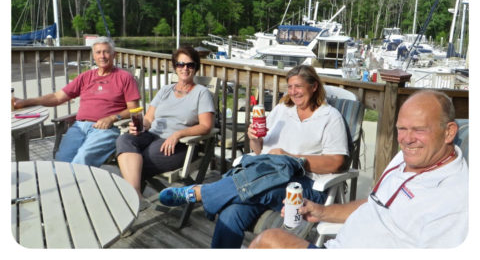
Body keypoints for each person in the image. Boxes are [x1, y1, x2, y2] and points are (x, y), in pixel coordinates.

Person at [158, 65, 348, 248]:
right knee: (230, 214)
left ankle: (200, 193)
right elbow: (259, 150)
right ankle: (203, 193)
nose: (293, 91)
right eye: (290, 87)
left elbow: (337, 162)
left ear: (314, 86)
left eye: (298, 86)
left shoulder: (330, 117)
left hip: (301, 185)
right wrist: (254, 138)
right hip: (263, 173)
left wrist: (292, 159)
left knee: (261, 184)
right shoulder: (282, 110)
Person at [250, 90, 468, 249]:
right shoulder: (408, 158)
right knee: (269, 240)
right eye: (402, 129)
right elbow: (377, 203)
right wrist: (321, 211)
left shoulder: (454, 200)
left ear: (449, 132)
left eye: (419, 130)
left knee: (267, 240)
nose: (407, 140)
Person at [12, 37, 140, 166]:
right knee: (62, 160)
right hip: (79, 126)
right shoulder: (86, 76)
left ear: (114, 54)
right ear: (93, 55)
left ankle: (77, 185)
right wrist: (26, 102)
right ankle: (64, 185)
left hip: (106, 128)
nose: (102, 56)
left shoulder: (125, 77)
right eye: (98, 52)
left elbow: (134, 109)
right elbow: (58, 97)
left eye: (106, 52)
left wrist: (112, 118)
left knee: (83, 159)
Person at [115, 46, 215, 209]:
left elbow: (206, 126)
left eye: (190, 65)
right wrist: (140, 126)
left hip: (180, 145)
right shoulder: (165, 90)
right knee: (124, 139)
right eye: (181, 64)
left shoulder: (201, 93)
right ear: (175, 66)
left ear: (196, 68)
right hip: (152, 135)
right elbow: (148, 118)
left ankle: (129, 201)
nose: (185, 68)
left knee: (135, 161)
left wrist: (178, 134)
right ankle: (135, 196)